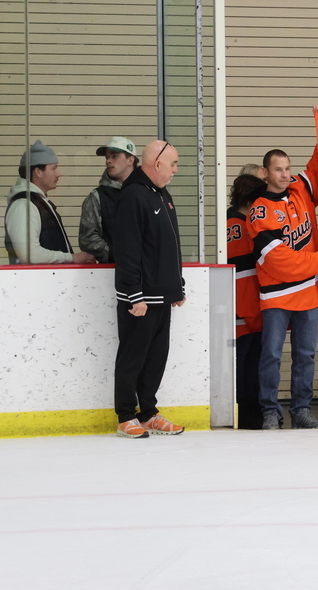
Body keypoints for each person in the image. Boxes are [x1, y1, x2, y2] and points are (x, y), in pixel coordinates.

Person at [250, 129, 318, 430]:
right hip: (276, 295)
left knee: (305, 355)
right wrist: (317, 259)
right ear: (265, 173)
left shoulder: (300, 190)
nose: (285, 174)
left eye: (287, 168)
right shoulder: (258, 212)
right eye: (278, 169)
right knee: (270, 355)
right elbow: (279, 262)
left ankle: (301, 411)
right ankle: (271, 411)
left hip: (308, 292)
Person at [112, 140, 187, 439]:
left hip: (162, 294)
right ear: (157, 164)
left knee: (156, 357)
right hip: (140, 298)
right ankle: (126, 416)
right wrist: (134, 293)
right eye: (173, 164)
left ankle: (148, 413)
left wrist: (176, 285)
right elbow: (128, 250)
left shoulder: (161, 194)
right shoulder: (133, 196)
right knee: (133, 357)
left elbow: (171, 244)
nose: (175, 170)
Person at [4, 140, 96, 266]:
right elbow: (29, 255)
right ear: (38, 172)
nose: (59, 174)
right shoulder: (23, 205)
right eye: (53, 168)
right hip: (36, 283)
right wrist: (70, 258)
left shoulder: (35, 202)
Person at [227, 173, 268, 429]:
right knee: (248, 362)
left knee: (245, 361)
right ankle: (248, 412)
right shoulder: (245, 225)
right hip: (247, 304)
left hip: (239, 304)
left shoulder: (229, 220)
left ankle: (247, 410)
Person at [79, 136, 138, 263]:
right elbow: (88, 239)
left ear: (130, 160)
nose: (108, 161)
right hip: (111, 274)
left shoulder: (148, 192)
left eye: (114, 156)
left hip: (147, 274)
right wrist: (116, 256)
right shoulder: (97, 197)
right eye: (107, 157)